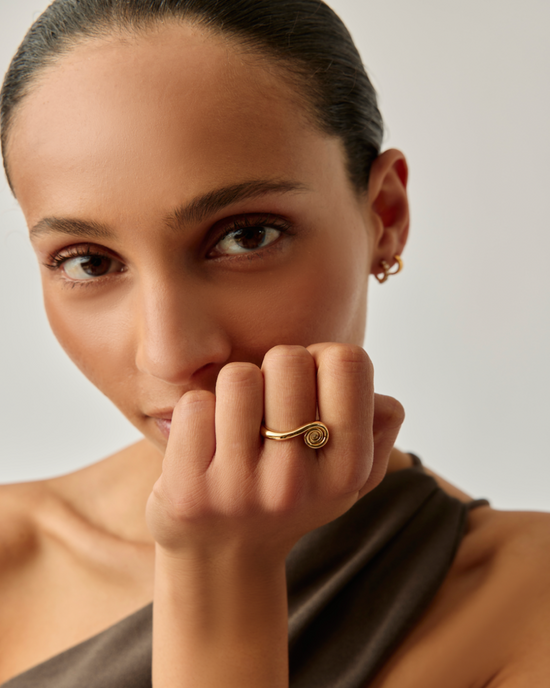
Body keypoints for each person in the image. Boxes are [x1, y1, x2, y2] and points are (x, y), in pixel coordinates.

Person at [0, 1, 549, 686]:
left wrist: (221, 568)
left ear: (384, 216)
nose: (170, 354)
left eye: (246, 236)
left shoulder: (529, 604)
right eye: (88, 262)